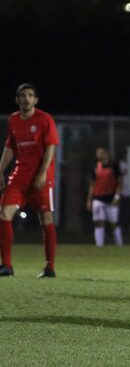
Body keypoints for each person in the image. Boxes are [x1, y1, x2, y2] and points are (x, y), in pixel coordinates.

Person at [0, 84, 60, 278]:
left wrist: (43, 173)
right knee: (4, 214)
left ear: (35, 100)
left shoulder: (44, 119)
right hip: (19, 177)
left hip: (41, 179)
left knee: (46, 218)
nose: (26, 99)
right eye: (22, 96)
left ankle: (49, 267)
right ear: (17, 100)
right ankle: (7, 266)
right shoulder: (14, 120)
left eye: (30, 95)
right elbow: (10, 148)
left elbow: (51, 147)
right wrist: (0, 171)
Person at [86, 147, 124, 247]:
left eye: (101, 153)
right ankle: (99, 245)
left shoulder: (114, 166)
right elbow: (92, 184)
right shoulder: (95, 167)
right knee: (99, 221)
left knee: (113, 223)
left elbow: (120, 183)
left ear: (106, 154)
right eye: (98, 153)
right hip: (98, 198)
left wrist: (117, 196)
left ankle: (119, 244)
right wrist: (89, 200)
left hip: (111, 199)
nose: (99, 155)